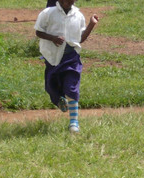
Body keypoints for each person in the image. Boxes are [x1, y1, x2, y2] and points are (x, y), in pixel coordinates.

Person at [34, 0, 99, 133]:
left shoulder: (78, 15)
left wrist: (91, 25)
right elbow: (38, 32)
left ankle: (74, 122)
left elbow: (80, 39)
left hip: (71, 57)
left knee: (71, 87)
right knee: (51, 86)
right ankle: (59, 100)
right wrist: (53, 38)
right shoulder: (48, 13)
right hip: (53, 57)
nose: (67, 2)